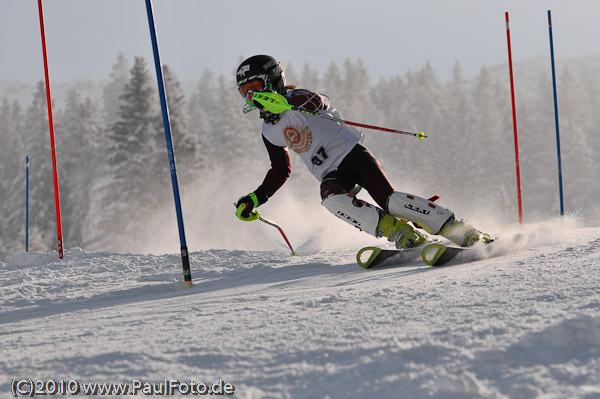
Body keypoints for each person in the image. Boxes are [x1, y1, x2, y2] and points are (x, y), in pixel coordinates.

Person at [234, 54, 490, 249]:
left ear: (273, 80)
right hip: (330, 172)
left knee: (392, 202)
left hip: (352, 155)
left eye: (255, 87)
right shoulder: (269, 131)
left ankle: (459, 230)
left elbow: (318, 102)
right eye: (246, 92)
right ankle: (401, 234)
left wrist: (286, 102)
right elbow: (280, 170)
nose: (252, 96)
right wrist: (255, 198)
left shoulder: (297, 97)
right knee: (331, 198)